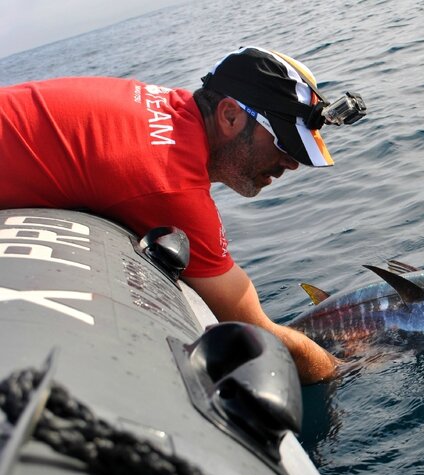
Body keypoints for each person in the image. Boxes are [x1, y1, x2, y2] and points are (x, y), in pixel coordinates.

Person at [0, 46, 365, 384]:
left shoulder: (164, 108)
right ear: (230, 115)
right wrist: (344, 370)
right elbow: (255, 333)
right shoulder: (170, 180)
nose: (292, 163)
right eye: (285, 143)